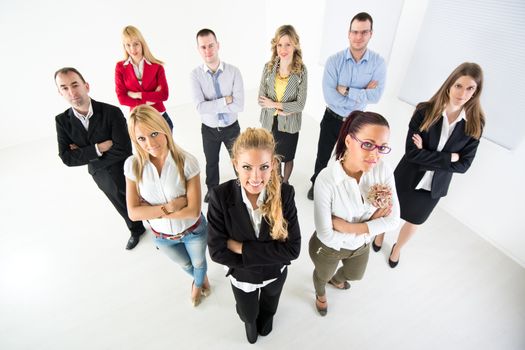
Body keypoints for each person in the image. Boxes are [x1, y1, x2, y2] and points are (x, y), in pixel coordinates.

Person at [373, 62, 485, 268]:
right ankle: (379, 237)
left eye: (470, 88)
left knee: (414, 221)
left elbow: (464, 166)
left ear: (476, 92)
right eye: (459, 85)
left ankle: (397, 249)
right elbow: (412, 153)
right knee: (390, 211)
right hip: (407, 175)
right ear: (450, 84)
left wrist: (426, 153)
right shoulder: (424, 111)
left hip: (435, 186)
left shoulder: (475, 123)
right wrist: (449, 158)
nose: (463, 93)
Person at [207, 128, 301, 344]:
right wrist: (269, 255)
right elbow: (217, 251)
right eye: (247, 167)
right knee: (248, 312)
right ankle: (250, 323)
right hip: (243, 278)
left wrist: (240, 248)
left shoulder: (285, 194)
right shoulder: (220, 197)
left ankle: (266, 321)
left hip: (274, 273)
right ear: (235, 165)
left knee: (270, 304)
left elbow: (293, 249)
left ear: (273, 165)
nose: (256, 177)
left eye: (264, 167)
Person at [309, 111, 400, 316]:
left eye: (382, 147)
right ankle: (320, 293)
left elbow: (393, 220)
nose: (375, 155)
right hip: (329, 249)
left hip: (361, 246)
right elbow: (326, 235)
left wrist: (351, 227)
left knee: (355, 275)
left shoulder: (382, 170)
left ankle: (337, 280)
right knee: (322, 275)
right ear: (349, 141)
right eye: (368, 144)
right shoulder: (326, 179)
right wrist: (374, 222)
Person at [124, 104, 211, 306]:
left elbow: (193, 211)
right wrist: (171, 207)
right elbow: (133, 213)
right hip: (162, 237)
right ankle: (201, 278)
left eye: (154, 133)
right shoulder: (132, 166)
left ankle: (198, 284)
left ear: (164, 128)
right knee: (186, 264)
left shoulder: (187, 161)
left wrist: (150, 211)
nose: (150, 143)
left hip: (193, 231)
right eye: (141, 138)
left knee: (199, 262)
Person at [54, 67, 145, 250]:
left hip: (126, 169)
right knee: (120, 205)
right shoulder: (61, 121)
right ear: (59, 92)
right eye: (64, 88)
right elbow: (66, 158)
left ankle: (160, 229)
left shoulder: (111, 112)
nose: (71, 92)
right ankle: (136, 230)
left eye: (75, 85)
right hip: (100, 175)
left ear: (86, 86)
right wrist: (99, 148)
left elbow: (123, 149)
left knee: (144, 199)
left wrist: (84, 152)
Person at [307, 12, 386, 200]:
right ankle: (316, 184)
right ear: (349, 33)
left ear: (371, 34)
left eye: (364, 32)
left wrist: (347, 90)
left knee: (348, 158)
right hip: (332, 117)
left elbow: (375, 96)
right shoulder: (334, 61)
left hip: (356, 123)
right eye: (355, 32)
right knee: (323, 155)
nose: (358, 37)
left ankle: (339, 190)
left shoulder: (378, 63)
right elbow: (330, 96)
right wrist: (362, 92)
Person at [190, 28, 244, 203]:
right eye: (203, 47)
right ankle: (212, 190)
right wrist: (224, 101)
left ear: (218, 45)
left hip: (231, 128)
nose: (208, 50)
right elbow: (199, 108)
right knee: (211, 162)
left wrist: (211, 105)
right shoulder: (195, 76)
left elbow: (239, 105)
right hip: (209, 129)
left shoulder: (234, 72)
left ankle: (243, 187)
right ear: (198, 49)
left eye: (211, 45)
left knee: (238, 160)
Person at [258, 24, 307, 184]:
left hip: (290, 124)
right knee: (274, 156)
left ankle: (285, 183)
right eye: (280, 44)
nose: (283, 49)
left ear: (295, 46)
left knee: (289, 156)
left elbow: (300, 105)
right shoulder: (268, 67)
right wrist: (281, 107)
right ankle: (277, 183)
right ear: (275, 46)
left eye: (287, 44)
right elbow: (261, 99)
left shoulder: (301, 71)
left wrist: (275, 104)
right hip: (270, 122)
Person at [115, 25, 173, 130]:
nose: (132, 49)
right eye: (128, 45)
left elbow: (164, 95)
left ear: (142, 43)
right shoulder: (120, 67)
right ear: (124, 46)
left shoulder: (157, 67)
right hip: (138, 120)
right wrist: (149, 99)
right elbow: (122, 98)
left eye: (136, 44)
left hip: (159, 116)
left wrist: (137, 95)